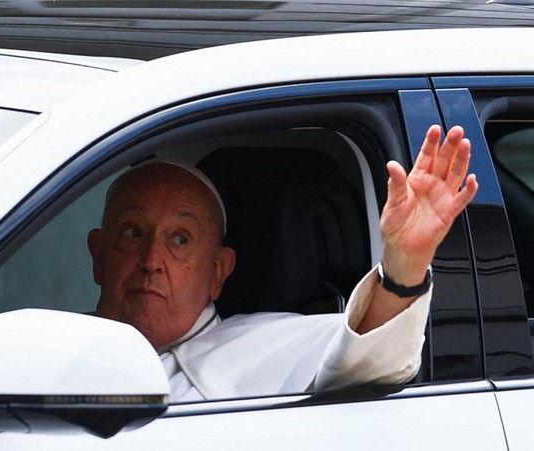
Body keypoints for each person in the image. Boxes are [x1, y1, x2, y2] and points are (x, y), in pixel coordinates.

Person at [87, 125, 479, 402]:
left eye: (180, 240)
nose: (152, 260)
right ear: (98, 254)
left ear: (218, 272)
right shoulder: (44, 344)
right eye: (133, 233)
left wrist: (404, 265)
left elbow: (366, 351)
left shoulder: (269, 348)